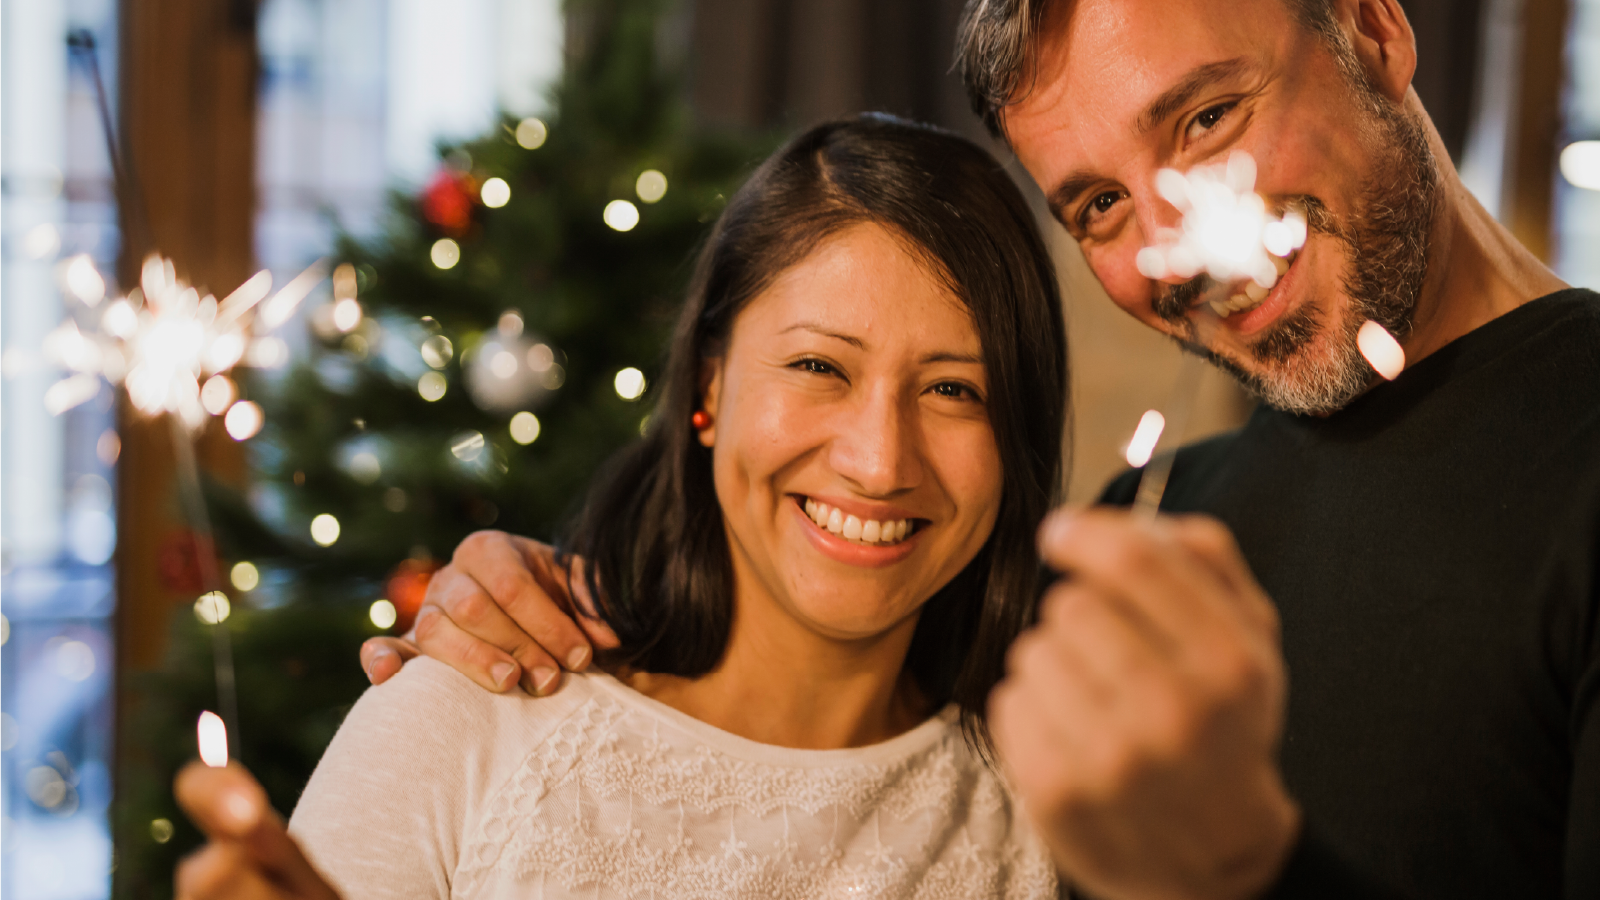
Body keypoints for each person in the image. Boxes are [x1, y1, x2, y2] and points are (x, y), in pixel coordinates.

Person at [362, 1, 1600, 898]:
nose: (1181, 238)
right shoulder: (1135, 548)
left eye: (1209, 116)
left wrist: (1248, 873)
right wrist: (503, 596)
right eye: (1100, 206)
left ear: (1373, 30)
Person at [174, 115, 1071, 899]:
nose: (879, 462)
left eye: (955, 389)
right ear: (709, 388)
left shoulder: (1056, 818)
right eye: (817, 368)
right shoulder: (467, 721)